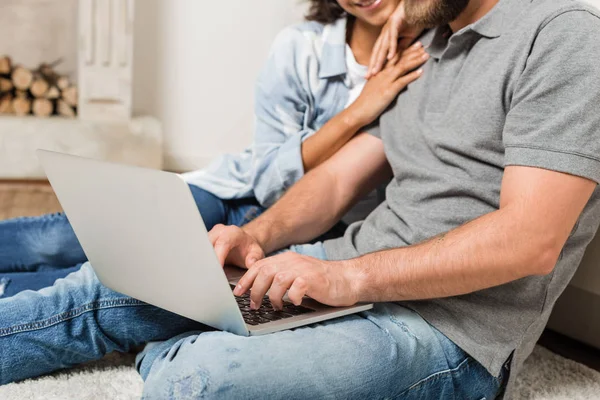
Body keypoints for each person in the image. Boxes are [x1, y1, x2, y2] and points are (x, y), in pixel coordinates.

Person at [1, 0, 599, 399]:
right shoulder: (432, 44)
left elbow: (531, 242)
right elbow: (340, 180)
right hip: (343, 276)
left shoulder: (563, 39)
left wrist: (350, 279)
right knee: (106, 286)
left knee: (200, 380)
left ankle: (178, 344)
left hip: (455, 333)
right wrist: (258, 236)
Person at [0, 0, 424, 297]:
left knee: (126, 276)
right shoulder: (301, 47)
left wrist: (414, 9)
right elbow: (269, 176)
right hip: (232, 190)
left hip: (305, 229)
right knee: (67, 237)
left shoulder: (435, 54)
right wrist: (358, 111)